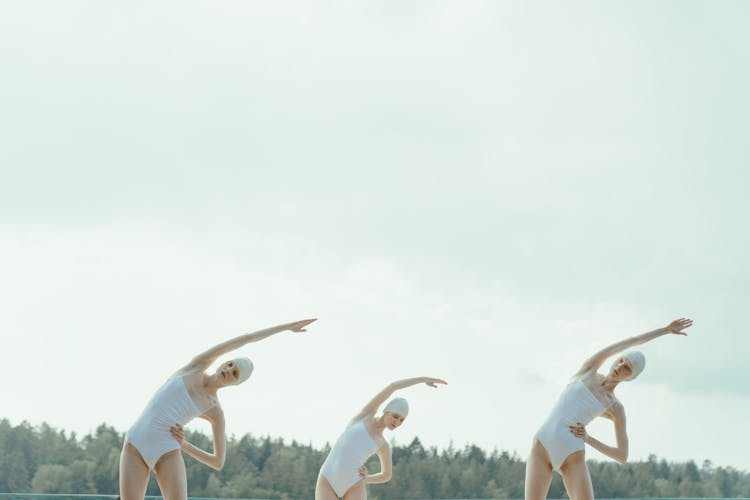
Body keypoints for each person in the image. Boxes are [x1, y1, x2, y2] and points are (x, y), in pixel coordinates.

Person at [119, 318, 316, 500]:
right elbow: (246, 338)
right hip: (136, 443)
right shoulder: (196, 366)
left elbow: (218, 462)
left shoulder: (215, 411)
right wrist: (288, 327)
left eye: (234, 373)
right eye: (230, 364)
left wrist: (184, 444)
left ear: (235, 383)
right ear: (224, 361)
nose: (228, 370)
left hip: (167, 450)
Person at [525, 317, 693, 500]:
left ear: (630, 377)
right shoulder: (589, 368)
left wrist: (589, 439)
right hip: (542, 444)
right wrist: (665, 330)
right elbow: (635, 339)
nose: (620, 367)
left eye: (627, 368)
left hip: (571, 454)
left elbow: (622, 456)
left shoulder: (615, 407)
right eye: (621, 361)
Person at [316, 376, 448, 499]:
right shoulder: (365, 416)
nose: (397, 422)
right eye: (395, 416)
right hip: (328, 478)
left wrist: (367, 478)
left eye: (402, 420)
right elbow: (393, 386)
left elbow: (386, 475)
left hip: (354, 484)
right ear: (386, 411)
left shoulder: (383, 445)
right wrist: (423, 379)